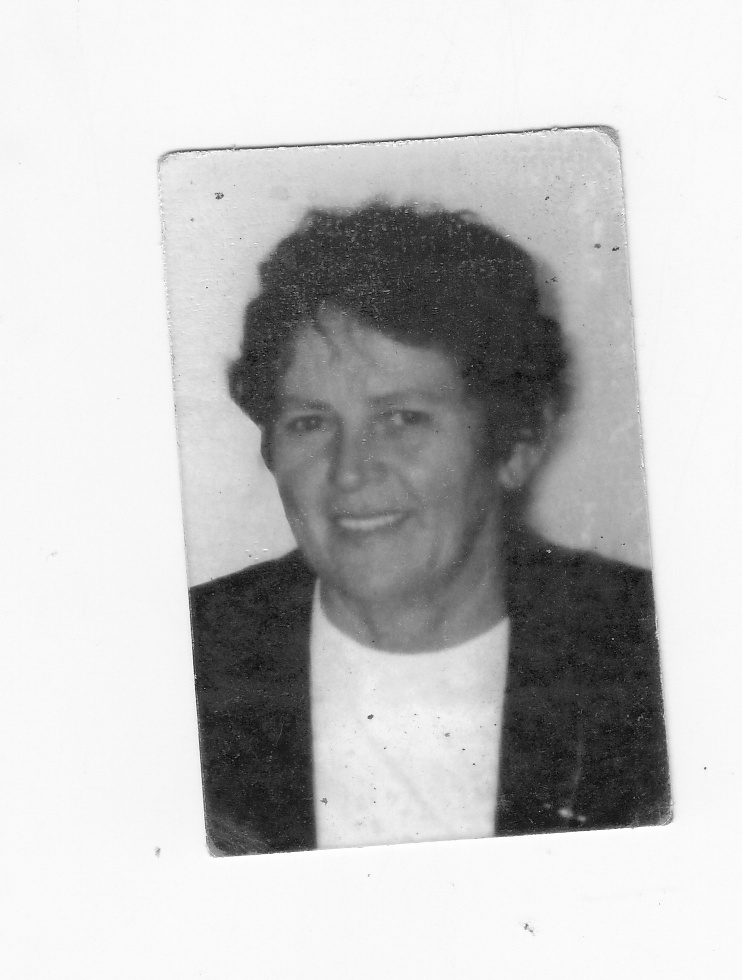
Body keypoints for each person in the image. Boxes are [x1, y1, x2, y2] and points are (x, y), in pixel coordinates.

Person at [189, 203, 670, 856]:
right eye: (310, 423)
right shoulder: (184, 660)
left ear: (516, 442)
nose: (349, 472)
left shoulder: (658, 654)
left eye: (402, 419)